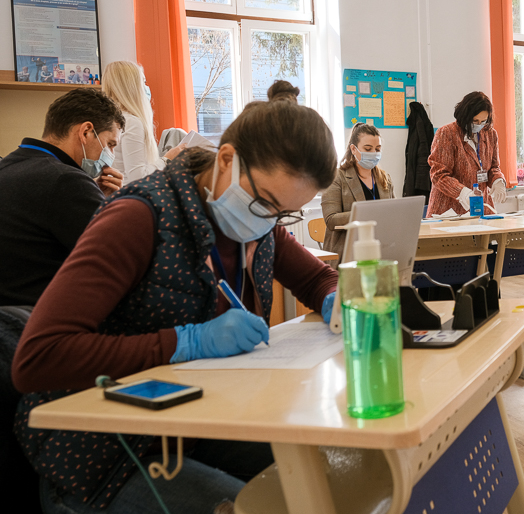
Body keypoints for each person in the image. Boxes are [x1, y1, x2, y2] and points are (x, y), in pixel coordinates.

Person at [13, 98, 340, 514]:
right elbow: (37, 357)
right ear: (227, 160)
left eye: (284, 213)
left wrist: (337, 300)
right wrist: (185, 342)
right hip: (105, 453)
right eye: (266, 204)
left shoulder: (259, 221)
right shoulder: (138, 217)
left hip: (195, 424)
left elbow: (316, 279)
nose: (270, 219)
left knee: (325, 475)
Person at [0, 88, 125, 308]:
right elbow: (122, 258)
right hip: (42, 317)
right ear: (86, 132)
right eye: (110, 144)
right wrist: (116, 204)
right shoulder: (66, 181)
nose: (110, 155)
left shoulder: (8, 166)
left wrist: (94, 195)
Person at [101, 60, 184, 183]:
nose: (146, 87)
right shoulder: (131, 122)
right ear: (132, 87)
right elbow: (138, 176)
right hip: (131, 191)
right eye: (143, 82)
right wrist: (167, 159)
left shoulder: (108, 120)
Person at [426, 91, 507, 216]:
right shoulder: (447, 134)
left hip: (481, 208)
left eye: (483, 121)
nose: (479, 125)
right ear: (465, 116)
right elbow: (439, 175)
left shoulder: (490, 134)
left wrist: (498, 181)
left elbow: (493, 167)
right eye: (475, 121)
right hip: (449, 210)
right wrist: (463, 193)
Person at [322, 123, 395, 258]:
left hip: (380, 247)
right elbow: (331, 220)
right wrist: (366, 213)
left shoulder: (385, 178)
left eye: (377, 149)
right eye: (367, 149)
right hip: (347, 251)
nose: (374, 153)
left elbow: (392, 214)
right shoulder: (337, 177)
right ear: (353, 149)